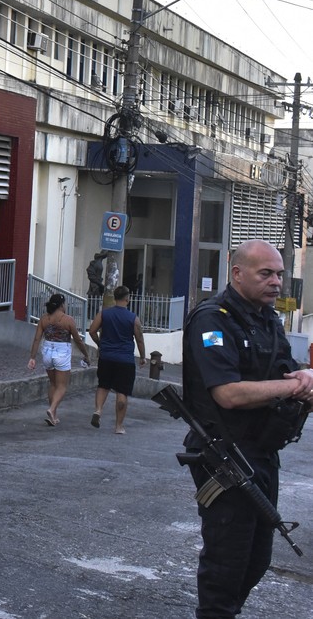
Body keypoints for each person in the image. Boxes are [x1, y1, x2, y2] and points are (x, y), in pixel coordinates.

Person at [180, 239, 313, 618]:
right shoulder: (213, 319)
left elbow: (283, 375)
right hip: (223, 456)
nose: (276, 283)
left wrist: (304, 390)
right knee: (226, 563)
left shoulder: (268, 319)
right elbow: (228, 394)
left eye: (280, 275)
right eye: (266, 273)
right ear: (237, 274)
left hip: (263, 453)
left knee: (256, 560)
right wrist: (294, 385)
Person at [87, 285, 146, 433]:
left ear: (114, 297)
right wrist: (143, 357)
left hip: (106, 357)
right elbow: (139, 339)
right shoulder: (133, 318)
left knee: (103, 385)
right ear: (127, 298)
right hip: (125, 360)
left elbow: (92, 331)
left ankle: (98, 410)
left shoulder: (104, 314)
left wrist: (100, 344)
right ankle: (119, 426)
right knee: (122, 391)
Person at [27, 293, 90, 426]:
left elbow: (37, 339)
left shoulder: (44, 319)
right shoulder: (68, 320)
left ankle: (53, 417)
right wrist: (86, 354)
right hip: (62, 352)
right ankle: (52, 409)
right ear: (62, 305)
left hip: (47, 351)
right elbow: (78, 341)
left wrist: (32, 357)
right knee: (62, 386)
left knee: (53, 384)